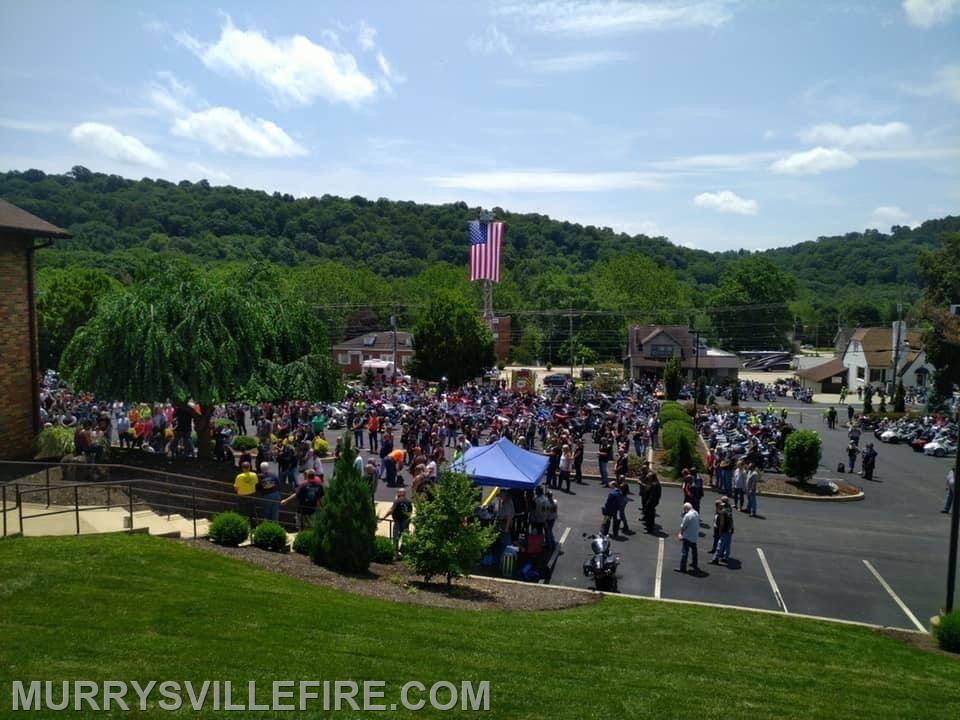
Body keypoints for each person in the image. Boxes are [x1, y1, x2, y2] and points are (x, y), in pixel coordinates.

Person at [380, 488, 412, 554]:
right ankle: (403, 550)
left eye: (397, 492)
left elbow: (391, 510)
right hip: (405, 521)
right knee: (405, 536)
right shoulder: (408, 501)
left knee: (396, 536)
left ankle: (395, 552)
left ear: (399, 493)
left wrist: (384, 517)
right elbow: (410, 512)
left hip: (398, 521)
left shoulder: (397, 501)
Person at [233, 461, 259, 528]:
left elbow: (236, 488)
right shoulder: (254, 475)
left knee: (241, 511)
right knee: (252, 511)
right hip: (251, 495)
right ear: (249, 467)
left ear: (242, 468)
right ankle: (254, 526)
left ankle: (242, 526)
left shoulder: (239, 477)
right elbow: (256, 483)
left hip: (242, 496)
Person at [677, 502, 700, 574]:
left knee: (685, 552)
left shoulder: (687, 515)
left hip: (688, 536)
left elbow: (683, 526)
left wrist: (680, 533)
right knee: (694, 550)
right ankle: (694, 563)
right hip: (694, 535)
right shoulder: (696, 513)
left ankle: (682, 568)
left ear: (686, 508)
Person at [710, 496, 734, 564]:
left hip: (725, 530)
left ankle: (715, 559)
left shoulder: (722, 512)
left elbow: (721, 523)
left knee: (720, 544)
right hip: (730, 529)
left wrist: (720, 531)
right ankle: (726, 557)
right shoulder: (729, 509)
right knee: (727, 544)